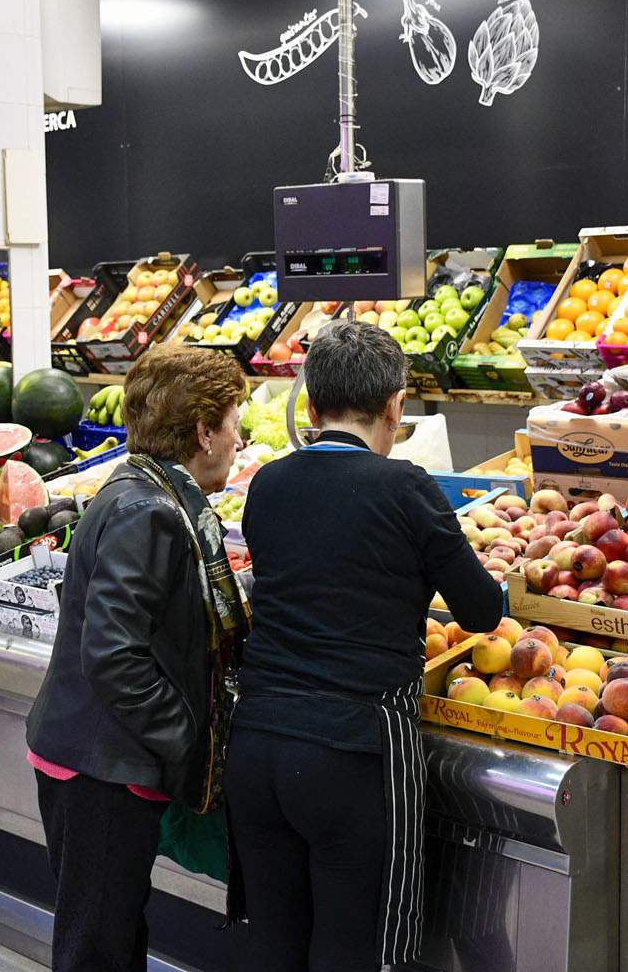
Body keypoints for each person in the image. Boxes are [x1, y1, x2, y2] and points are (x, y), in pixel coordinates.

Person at [226, 321, 503, 971]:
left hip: (258, 744)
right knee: (354, 954)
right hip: (353, 753)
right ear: (396, 407)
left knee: (274, 946)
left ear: (313, 409)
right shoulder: (406, 489)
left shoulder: (267, 484)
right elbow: (480, 611)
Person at [25, 343, 249, 971]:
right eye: (232, 422)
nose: (239, 438)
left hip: (100, 757)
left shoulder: (147, 494)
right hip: (99, 769)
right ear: (203, 432)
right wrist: (185, 741)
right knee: (98, 944)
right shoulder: (147, 512)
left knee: (114, 931)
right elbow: (115, 655)